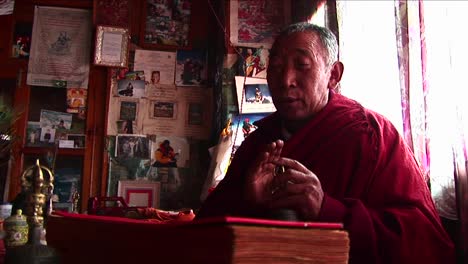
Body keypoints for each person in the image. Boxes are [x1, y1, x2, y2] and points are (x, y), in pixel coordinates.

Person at [195, 22, 455, 263]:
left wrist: (328, 209)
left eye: (302, 65)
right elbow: (204, 232)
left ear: (333, 75)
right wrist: (247, 201)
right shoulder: (259, 142)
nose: (286, 81)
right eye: (275, 67)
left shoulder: (371, 135)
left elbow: (427, 242)